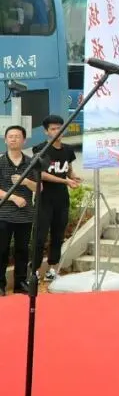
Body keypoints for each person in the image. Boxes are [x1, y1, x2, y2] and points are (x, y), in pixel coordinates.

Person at [32, 114, 81, 282]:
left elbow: (68, 169)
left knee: (58, 234)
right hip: (44, 198)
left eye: (60, 128)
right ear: (46, 131)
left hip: (62, 199)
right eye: (53, 129)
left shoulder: (68, 150)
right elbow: (41, 174)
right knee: (40, 236)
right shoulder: (40, 150)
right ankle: (34, 270)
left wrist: (73, 177)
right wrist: (65, 181)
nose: (57, 131)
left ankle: (52, 269)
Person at [0, 125, 37, 296]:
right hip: (3, 214)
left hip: (25, 215)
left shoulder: (31, 162)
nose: (13, 139)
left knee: (22, 250)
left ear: (24, 140)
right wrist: (13, 197)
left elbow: (39, 188)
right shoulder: (1, 162)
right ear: (5, 140)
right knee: (2, 250)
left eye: (17, 136)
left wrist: (26, 182)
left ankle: (20, 284)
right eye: (10, 136)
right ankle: (1, 285)